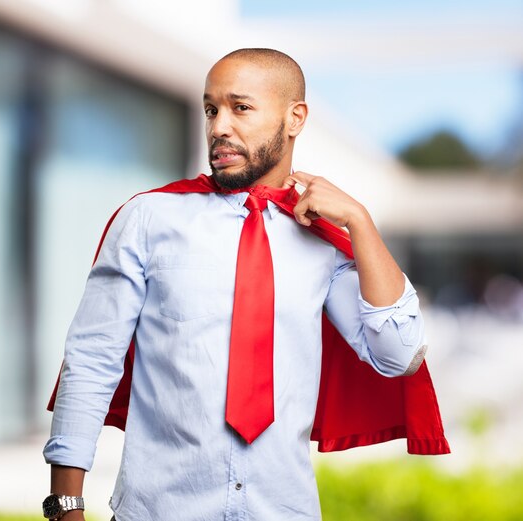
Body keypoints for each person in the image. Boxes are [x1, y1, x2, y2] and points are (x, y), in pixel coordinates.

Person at [42, 48, 438, 521]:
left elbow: (398, 354)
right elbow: (90, 362)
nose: (218, 127)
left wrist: (360, 223)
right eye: (211, 109)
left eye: (240, 107)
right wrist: (66, 507)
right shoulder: (149, 219)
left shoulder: (322, 243)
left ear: (295, 118)